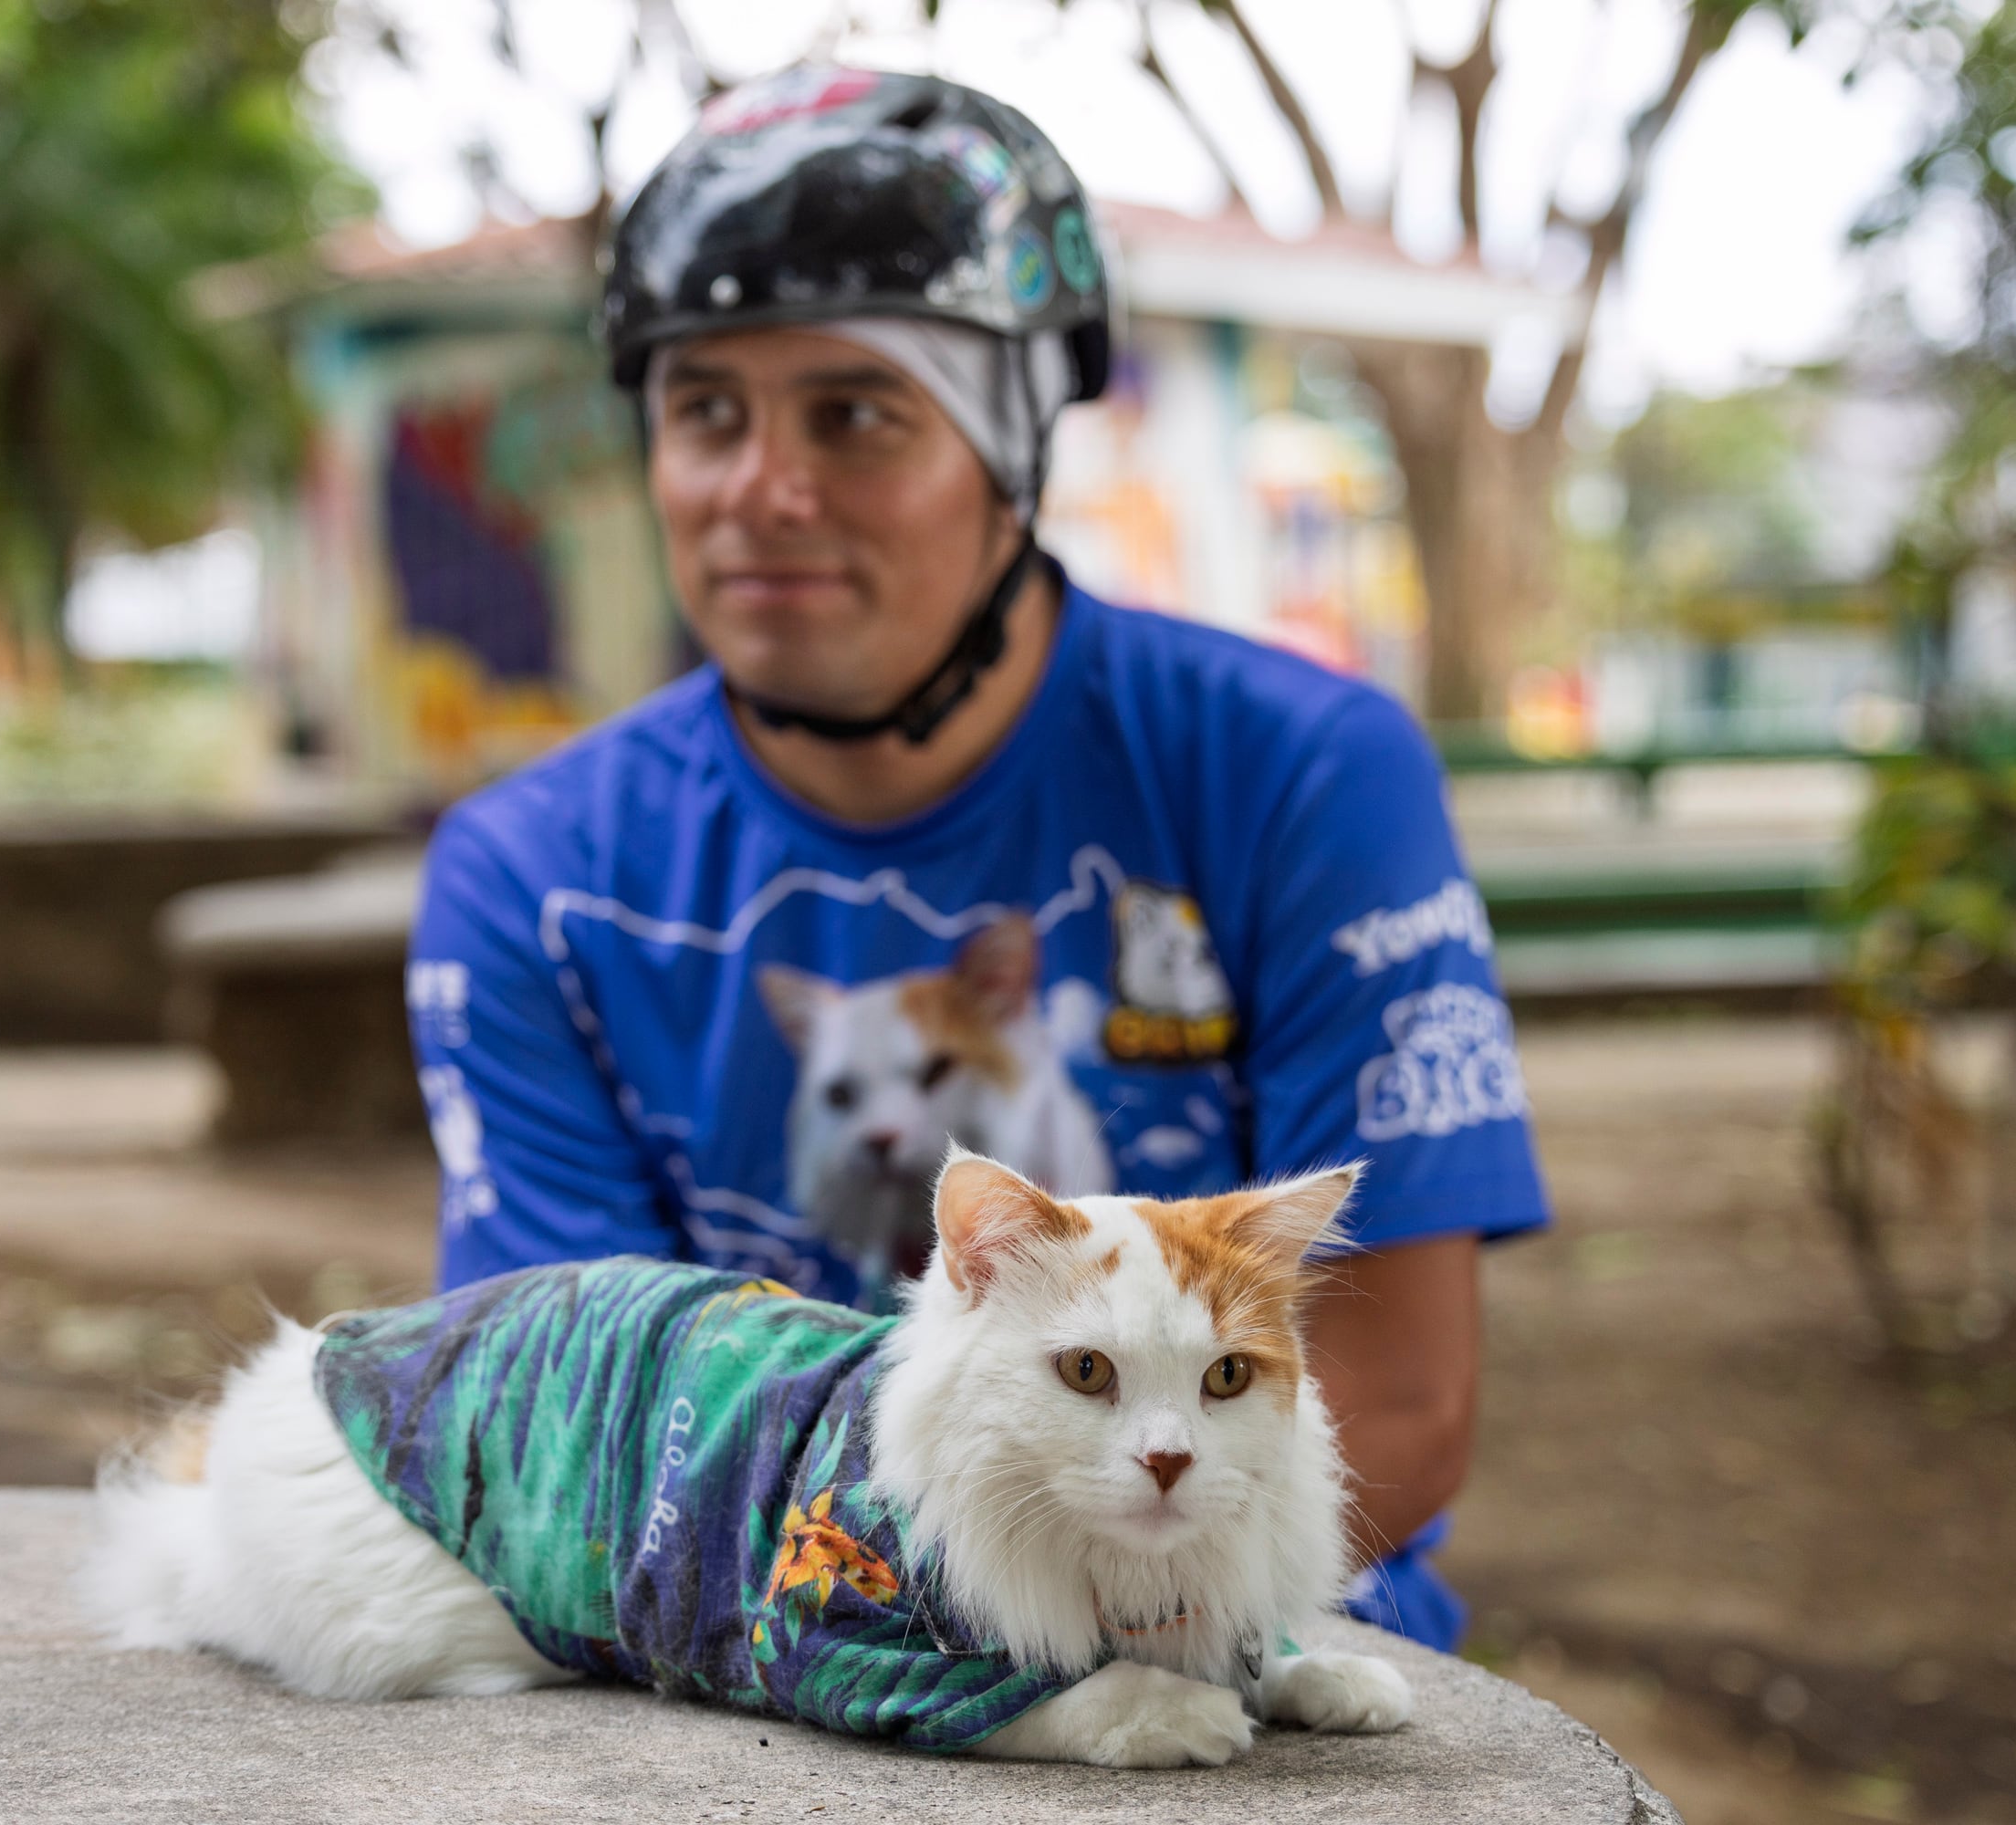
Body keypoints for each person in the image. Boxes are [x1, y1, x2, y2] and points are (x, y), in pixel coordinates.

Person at [403, 65, 1549, 1651]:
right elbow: (578, 1439)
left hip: (1242, 1658)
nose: (762, 491)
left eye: (856, 414)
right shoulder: (524, 879)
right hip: (769, 1667)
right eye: (705, 413)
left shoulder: (1302, 773)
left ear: (1013, 450)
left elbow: (1403, 1409)